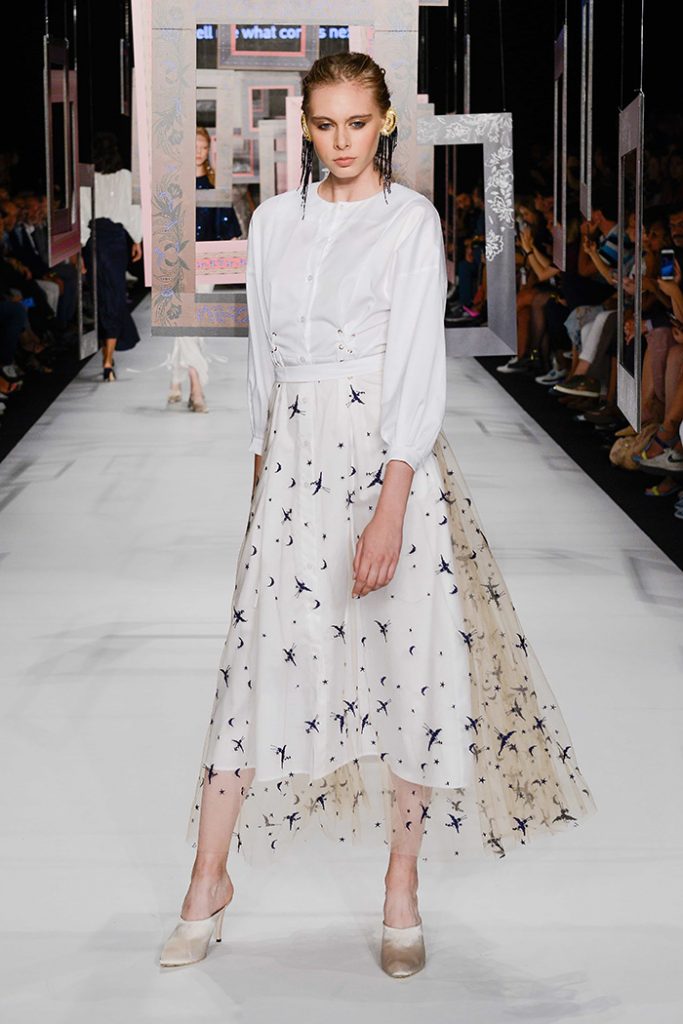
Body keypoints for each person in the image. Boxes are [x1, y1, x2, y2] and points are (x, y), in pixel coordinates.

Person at [160, 52, 596, 979]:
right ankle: (206, 880)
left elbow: (415, 368)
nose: (341, 141)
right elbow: (266, 369)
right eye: (324, 124)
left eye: (357, 123)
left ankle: (401, 885)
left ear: (384, 121)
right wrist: (259, 485)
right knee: (253, 666)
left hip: (382, 463)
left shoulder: (410, 222)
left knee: (408, 668)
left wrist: (391, 503)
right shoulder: (273, 224)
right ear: (305, 125)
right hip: (292, 468)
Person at [167, 127, 244, 412]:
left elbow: (227, 225)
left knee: (191, 322)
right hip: (177, 259)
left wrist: (233, 253)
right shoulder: (175, 184)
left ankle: (177, 378)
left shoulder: (214, 184)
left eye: (203, 147)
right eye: (194, 147)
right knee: (188, 321)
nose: (198, 153)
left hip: (206, 261)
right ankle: (196, 388)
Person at [80, 132, 142, 381]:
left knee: (101, 296)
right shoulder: (125, 176)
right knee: (115, 294)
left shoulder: (86, 178)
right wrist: (136, 239)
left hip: (94, 240)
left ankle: (107, 357)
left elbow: (81, 212)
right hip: (115, 240)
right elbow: (132, 210)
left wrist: (80, 249)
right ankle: (108, 360)